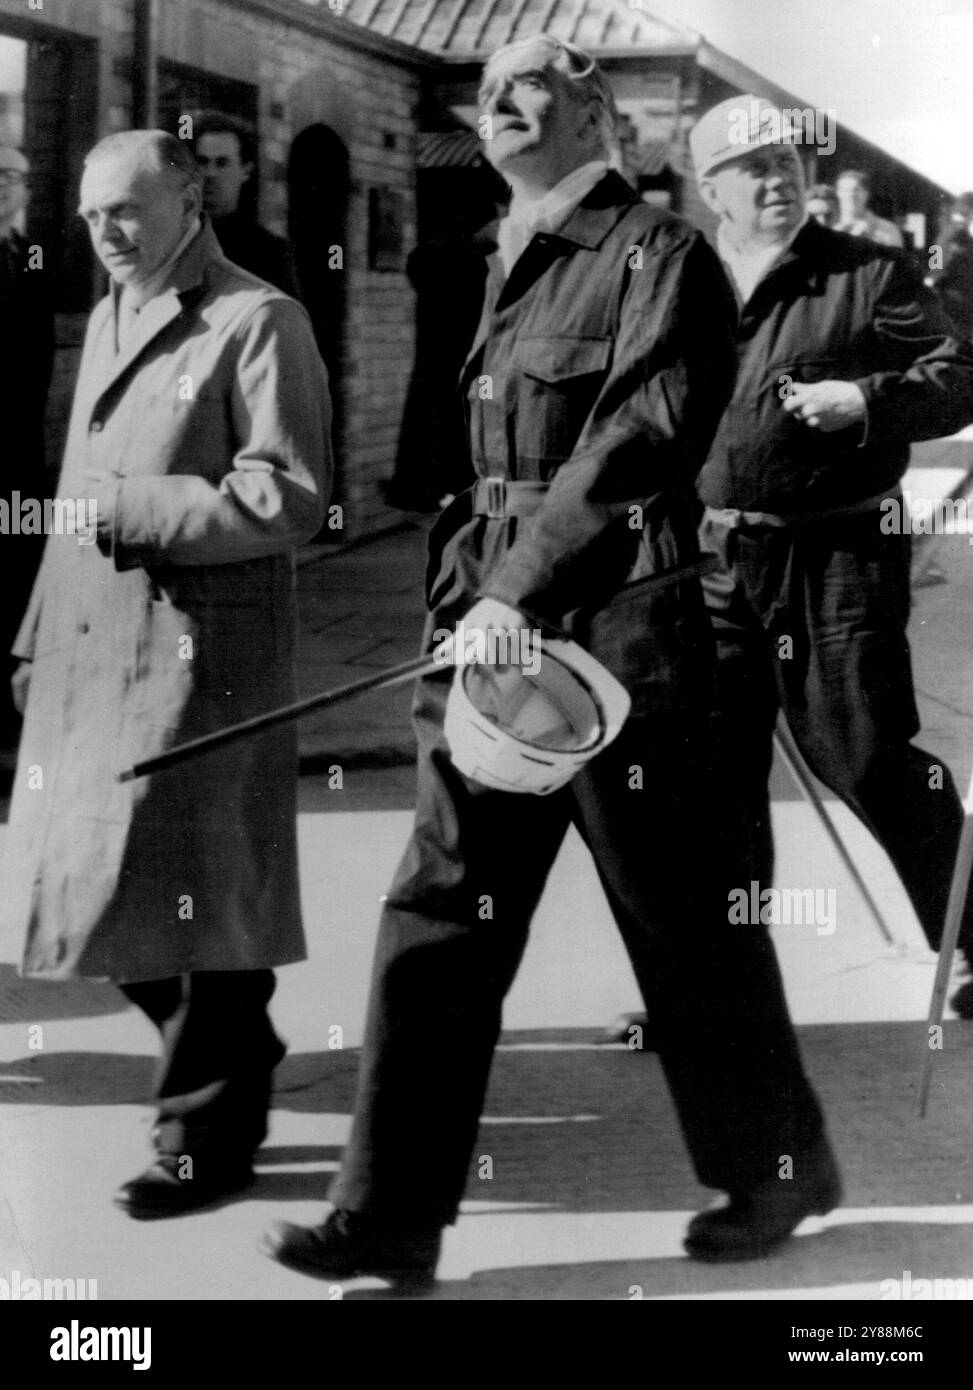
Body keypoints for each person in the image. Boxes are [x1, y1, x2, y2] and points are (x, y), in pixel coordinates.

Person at [262, 36, 837, 1285]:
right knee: (440, 912)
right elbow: (478, 463)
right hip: (488, 631)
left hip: (626, 632)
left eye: (535, 87)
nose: (504, 106)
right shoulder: (498, 252)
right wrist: (467, 595)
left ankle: (776, 1168)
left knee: (679, 919)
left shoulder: (658, 253)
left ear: (598, 116)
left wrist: (519, 589)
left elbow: (637, 443)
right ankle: (390, 1217)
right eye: (490, 95)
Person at [3, 130, 332, 1217]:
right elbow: (75, 480)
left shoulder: (258, 318)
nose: (104, 233)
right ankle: (239, 1041)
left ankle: (205, 1137)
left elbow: (289, 495)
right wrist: (32, 632)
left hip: (204, 655)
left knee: (196, 898)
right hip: (92, 646)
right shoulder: (110, 309)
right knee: (101, 894)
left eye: (127, 212)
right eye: (93, 215)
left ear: (191, 201)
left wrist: (132, 512)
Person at [687, 96, 973, 1019]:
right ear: (710, 191)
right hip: (712, 559)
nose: (777, 180)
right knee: (714, 778)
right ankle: (722, 991)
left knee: (864, 756)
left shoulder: (866, 272)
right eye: (752, 169)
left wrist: (867, 398)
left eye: (786, 164)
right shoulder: (681, 280)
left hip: (839, 553)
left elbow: (955, 377)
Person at [0, 145, 54, 748]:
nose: (8, 186)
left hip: (20, 450)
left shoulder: (27, 255)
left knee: (18, 568)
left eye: (17, 176)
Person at [192, 111, 300, 296]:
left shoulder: (269, 251)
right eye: (202, 162)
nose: (210, 174)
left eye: (222, 163)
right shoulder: (174, 237)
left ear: (245, 171)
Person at [929, 192, 973, 342]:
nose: (960, 219)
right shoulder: (945, 240)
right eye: (959, 214)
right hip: (954, 313)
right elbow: (933, 274)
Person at [835, 168, 904, 247]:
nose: (851, 195)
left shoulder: (888, 230)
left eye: (856, 190)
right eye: (845, 190)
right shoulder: (828, 225)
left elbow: (894, 258)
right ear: (838, 193)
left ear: (866, 194)